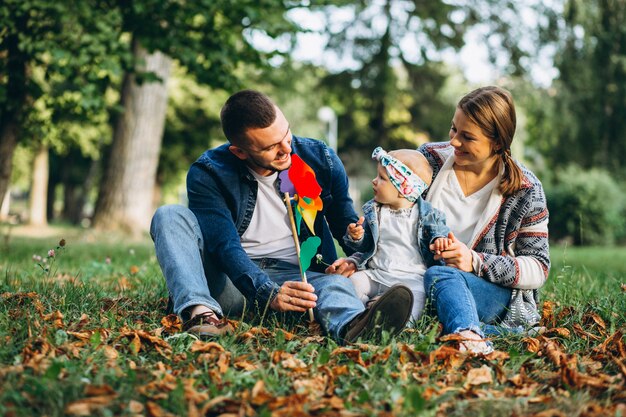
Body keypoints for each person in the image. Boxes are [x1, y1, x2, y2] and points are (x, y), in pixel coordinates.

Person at [150, 89, 413, 343]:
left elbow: (346, 226)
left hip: (301, 278)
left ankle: (356, 326)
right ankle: (202, 316)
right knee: (169, 215)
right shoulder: (209, 172)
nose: (286, 149)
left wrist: (355, 243)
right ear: (240, 152)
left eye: (286, 135)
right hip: (231, 280)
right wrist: (267, 292)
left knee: (335, 286)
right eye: (271, 147)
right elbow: (224, 247)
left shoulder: (320, 157)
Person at [418, 86, 550, 353]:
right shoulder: (428, 161)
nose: (454, 142)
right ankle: (494, 332)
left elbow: (538, 267)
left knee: (441, 276)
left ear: (498, 143)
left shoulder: (526, 190)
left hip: (489, 292)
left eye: (467, 137)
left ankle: (468, 336)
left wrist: (474, 261)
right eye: (453, 129)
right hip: (416, 276)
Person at [342, 147, 452, 322]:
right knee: (352, 283)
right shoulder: (375, 212)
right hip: (376, 274)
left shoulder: (427, 214)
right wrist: (357, 237)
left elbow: (438, 232)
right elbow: (366, 245)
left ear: (404, 189)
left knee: (416, 300)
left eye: (382, 178)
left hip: (410, 281)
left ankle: (397, 321)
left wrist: (439, 240)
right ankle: (361, 317)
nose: (374, 181)